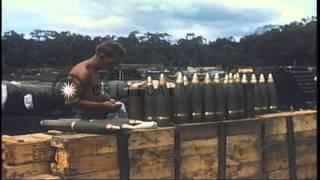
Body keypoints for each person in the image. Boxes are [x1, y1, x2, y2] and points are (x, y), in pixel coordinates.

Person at [64, 40, 126, 119]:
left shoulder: (94, 70)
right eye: (112, 63)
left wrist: (107, 99)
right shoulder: (80, 73)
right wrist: (103, 105)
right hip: (84, 121)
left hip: (97, 117)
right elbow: (70, 101)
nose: (113, 67)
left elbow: (92, 92)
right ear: (102, 57)